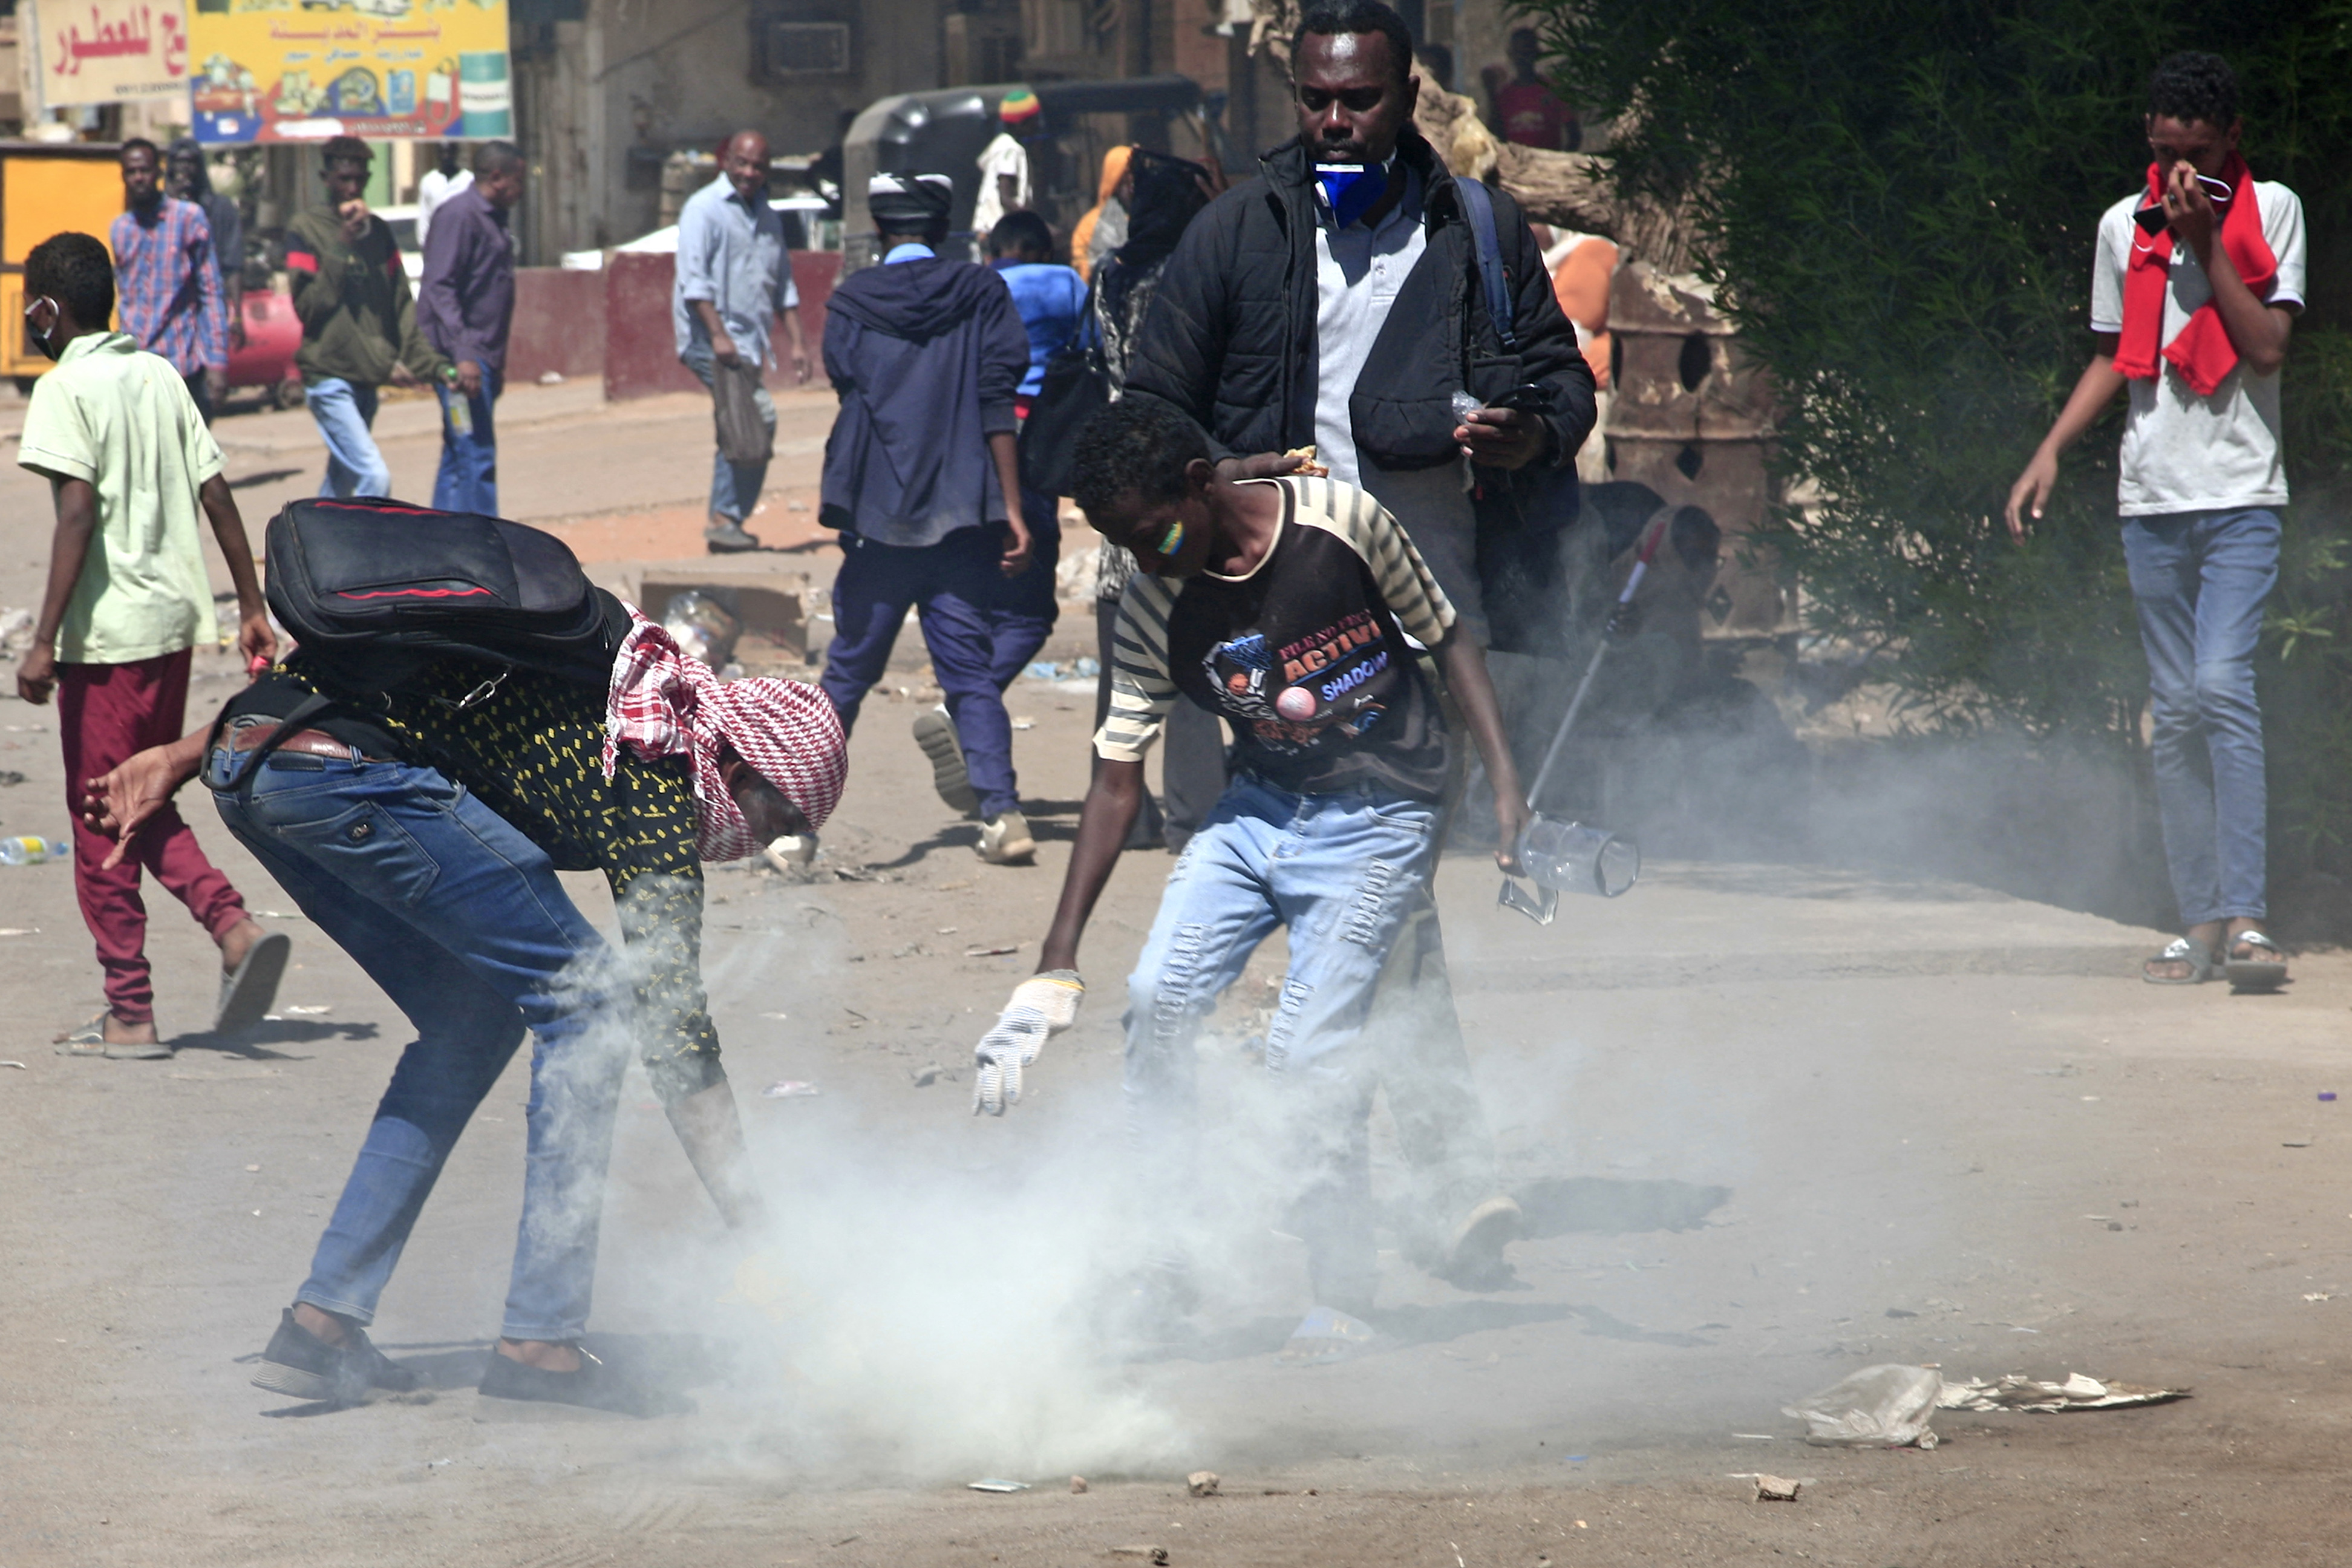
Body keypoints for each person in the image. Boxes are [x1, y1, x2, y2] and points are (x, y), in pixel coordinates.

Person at [83, 589, 847, 1414]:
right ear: (740, 764)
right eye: (777, 816)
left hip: (258, 766)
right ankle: (541, 1341)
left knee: (468, 1021)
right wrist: (754, 1225)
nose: (766, 841)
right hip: (350, 778)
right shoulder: (658, 774)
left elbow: (370, 662)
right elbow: (675, 1030)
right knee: (589, 1012)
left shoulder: (625, 678)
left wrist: (187, 755)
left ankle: (321, 1326)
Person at [1122, 0, 1597, 1281]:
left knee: (1381, 898)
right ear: (1297, 92)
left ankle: (1397, 1194)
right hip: (1247, 614)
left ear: (1407, 96)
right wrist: (1227, 472)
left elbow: (1566, 384)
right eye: (1318, 100)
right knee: (1257, 907)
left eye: (1363, 101)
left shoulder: (1481, 230)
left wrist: (1524, 431)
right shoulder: (1237, 233)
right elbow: (1149, 414)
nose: (1337, 122)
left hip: (1408, 612)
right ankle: (1242, 1209)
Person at [970, 399, 1530, 1335]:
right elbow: (1116, 781)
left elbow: (1445, 636)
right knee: (1156, 1002)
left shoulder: (1338, 524)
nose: (1144, 560)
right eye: (1120, 544)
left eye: (1151, 535)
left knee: (1309, 1054)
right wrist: (1053, 964)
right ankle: (1164, 1253)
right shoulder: (1154, 600)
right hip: (1257, 813)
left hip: (1384, 817)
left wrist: (1506, 786)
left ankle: (1343, 1286)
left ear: (1199, 484)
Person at [2005, 51, 2302, 993]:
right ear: (2148, 139)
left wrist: (2208, 240)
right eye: (2167, 152)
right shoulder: (2118, 229)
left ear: (2231, 143)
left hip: (2241, 496)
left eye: (2199, 153)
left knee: (2222, 686)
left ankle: (2251, 918)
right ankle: (2202, 923)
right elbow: (2114, 356)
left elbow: (2264, 349)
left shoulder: (2271, 213)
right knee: (2173, 713)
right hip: (2153, 502)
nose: (2180, 174)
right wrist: (2051, 448)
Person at [13, 233, 284, 1058]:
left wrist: (44, 639)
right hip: (171, 627)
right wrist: (250, 601)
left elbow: (75, 514)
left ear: (49, 311)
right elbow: (217, 492)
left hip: (109, 641)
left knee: (102, 814)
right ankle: (231, 928)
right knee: (142, 791)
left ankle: (131, 1010)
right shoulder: (160, 374)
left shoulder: (66, 388)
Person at [816, 174, 1037, 865]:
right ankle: (1003, 816)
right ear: (945, 231)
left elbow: (848, 391)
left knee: (846, 678)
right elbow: (998, 401)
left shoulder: (850, 303)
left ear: (881, 231)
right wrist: (1013, 510)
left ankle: (792, 825)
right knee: (969, 675)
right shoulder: (983, 293)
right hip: (962, 522)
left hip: (879, 526)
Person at [1082, 148, 1222, 851]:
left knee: (1123, 666)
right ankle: (1195, 816)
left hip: (1118, 483)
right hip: (1174, 488)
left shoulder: (1108, 275)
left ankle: (1124, 818)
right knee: (1191, 654)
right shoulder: (1192, 276)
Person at [286, 137, 449, 498]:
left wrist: (434, 366)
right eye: (343, 179)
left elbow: (403, 309)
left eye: (359, 180)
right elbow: (309, 308)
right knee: (375, 478)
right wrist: (342, 244)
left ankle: (305, 546)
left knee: (340, 487)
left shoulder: (380, 235)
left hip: (367, 380)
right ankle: (369, 552)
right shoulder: (306, 229)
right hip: (328, 380)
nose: (352, 188)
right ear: (326, 178)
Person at [675, 129, 813, 554]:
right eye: (742, 163)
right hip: (709, 339)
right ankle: (726, 517)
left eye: (758, 166)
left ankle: (726, 522)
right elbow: (693, 282)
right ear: (726, 162)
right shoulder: (704, 209)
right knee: (756, 418)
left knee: (738, 425)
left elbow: (782, 286)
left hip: (748, 343)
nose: (750, 173)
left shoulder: (768, 216)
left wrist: (798, 343)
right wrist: (717, 335)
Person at [418, 141, 525, 517]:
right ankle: (484, 551)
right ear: (497, 177)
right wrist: (464, 356)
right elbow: (439, 287)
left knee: (458, 451)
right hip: (460, 359)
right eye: (518, 180)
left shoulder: (494, 217)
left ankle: (439, 547)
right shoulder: (459, 215)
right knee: (476, 453)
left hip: (483, 358)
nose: (522, 189)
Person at [111, 138, 230, 425]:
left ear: (158, 172)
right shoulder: (121, 229)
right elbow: (123, 298)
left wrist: (217, 363)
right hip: (137, 368)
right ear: (124, 176)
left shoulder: (188, 219)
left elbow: (211, 292)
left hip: (183, 365)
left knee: (190, 461)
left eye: (145, 170)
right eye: (131, 172)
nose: (139, 178)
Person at [164, 137, 244, 359]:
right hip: (168, 317)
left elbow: (233, 264)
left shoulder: (221, 209)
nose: (185, 169)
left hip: (208, 313)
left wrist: (237, 317)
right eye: (179, 163)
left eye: (191, 162)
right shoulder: (156, 213)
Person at [972, 87, 1041, 246]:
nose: (1038, 125)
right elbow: (1006, 197)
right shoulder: (1010, 149)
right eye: (1035, 120)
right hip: (1000, 233)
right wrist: (1031, 221)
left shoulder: (1000, 145)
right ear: (1022, 123)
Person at [1490, 27, 1578, 151]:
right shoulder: (1505, 96)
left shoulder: (1553, 89)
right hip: (1514, 167)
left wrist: (1559, 163)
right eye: (1518, 53)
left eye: (1527, 53)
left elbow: (1574, 134)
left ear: (1537, 53)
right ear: (1511, 55)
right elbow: (1496, 138)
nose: (1522, 59)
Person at [1070, 144, 1131, 285]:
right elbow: (1082, 267)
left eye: (1135, 175)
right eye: (1125, 178)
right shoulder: (1090, 224)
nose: (1132, 184)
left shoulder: (1151, 218)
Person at [414, 142, 473, 253]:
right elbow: (424, 214)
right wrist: (424, 244)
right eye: (441, 153)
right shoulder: (429, 181)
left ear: (456, 153)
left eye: (449, 152)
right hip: (438, 245)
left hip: (463, 244)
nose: (445, 156)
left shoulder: (469, 180)